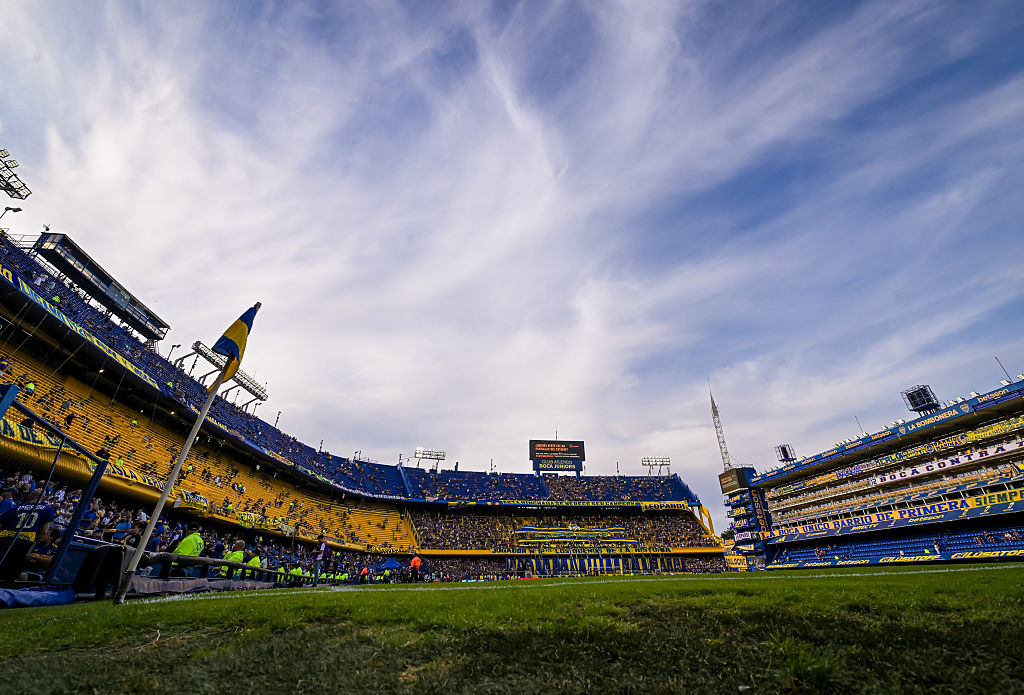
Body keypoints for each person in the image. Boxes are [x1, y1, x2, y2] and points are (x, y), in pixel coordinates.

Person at [0, 488, 55, 580]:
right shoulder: (47, 509)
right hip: (25, 541)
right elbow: (45, 531)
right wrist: (35, 542)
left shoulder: (14, 508)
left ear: (29, 496)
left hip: (4, 539)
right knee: (11, 573)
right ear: (42, 498)